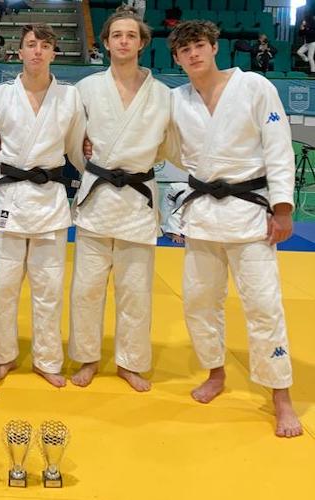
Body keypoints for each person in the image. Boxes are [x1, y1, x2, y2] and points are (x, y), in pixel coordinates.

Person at [168, 20, 302, 438]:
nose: (194, 54)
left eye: (200, 45)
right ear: (176, 58)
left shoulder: (255, 87)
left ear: (215, 47)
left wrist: (282, 210)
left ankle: (281, 395)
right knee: (198, 302)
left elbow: (279, 149)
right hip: (204, 215)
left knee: (264, 306)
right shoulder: (176, 100)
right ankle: (215, 372)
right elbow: (149, 142)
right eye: (185, 49)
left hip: (251, 215)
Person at [70, 7, 171, 392]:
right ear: (107, 43)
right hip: (96, 199)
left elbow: (168, 146)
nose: (124, 41)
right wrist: (91, 166)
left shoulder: (162, 95)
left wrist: (138, 165)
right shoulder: (87, 89)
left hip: (137, 202)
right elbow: (74, 142)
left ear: (142, 42)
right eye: (117, 36)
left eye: (131, 35)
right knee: (86, 288)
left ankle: (130, 363)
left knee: (136, 290)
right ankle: (88, 358)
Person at [0, 23, 86, 387]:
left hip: (51, 201)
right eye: (30, 45)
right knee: (3, 286)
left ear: (55, 53)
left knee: (49, 287)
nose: (37, 51)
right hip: (11, 197)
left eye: (45, 45)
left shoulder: (70, 97)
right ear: (19, 53)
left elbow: (76, 149)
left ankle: (47, 360)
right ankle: (3, 356)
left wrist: (97, 173)